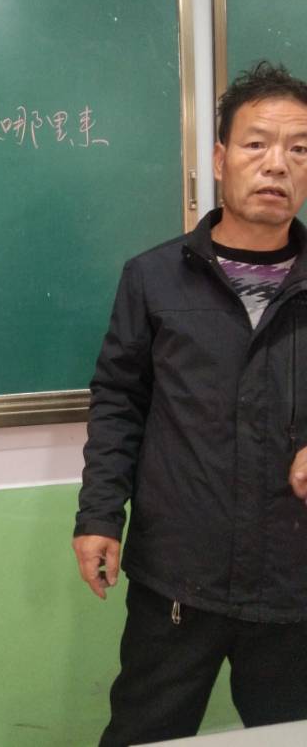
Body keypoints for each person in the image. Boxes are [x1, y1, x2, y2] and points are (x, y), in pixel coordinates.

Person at [72, 61, 307, 746]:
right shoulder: (153, 279)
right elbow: (119, 401)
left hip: (294, 583)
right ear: (220, 158)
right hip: (178, 576)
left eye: (300, 149)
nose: (278, 164)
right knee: (144, 733)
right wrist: (99, 515)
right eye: (257, 143)